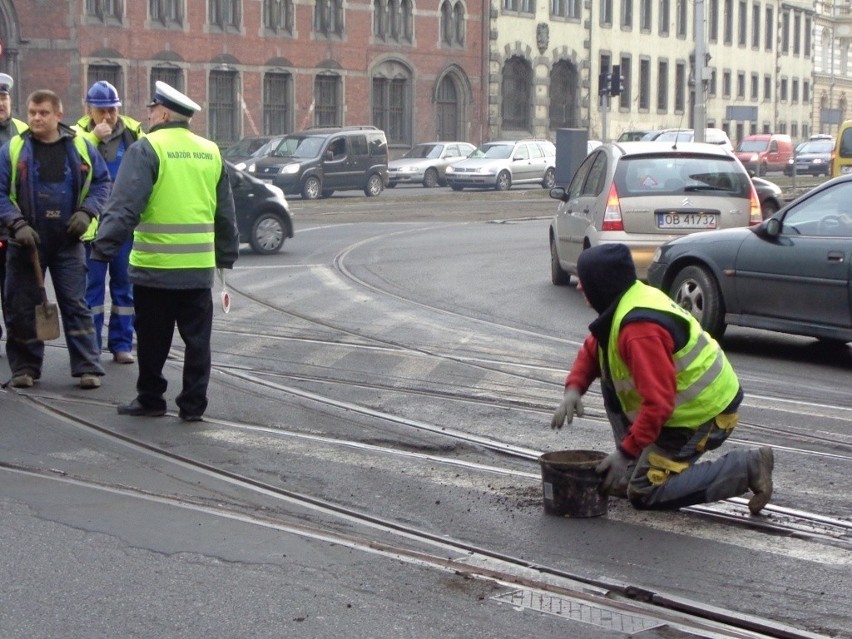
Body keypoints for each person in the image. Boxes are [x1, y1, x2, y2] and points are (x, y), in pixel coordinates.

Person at [550, 244, 774, 515]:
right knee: (611, 376)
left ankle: (747, 467)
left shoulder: (639, 330)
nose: (578, 287)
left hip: (701, 414)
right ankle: (633, 467)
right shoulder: (625, 302)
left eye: (584, 281)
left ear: (601, 283)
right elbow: (594, 348)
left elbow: (659, 404)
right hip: (675, 411)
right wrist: (574, 388)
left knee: (646, 492)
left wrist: (625, 453)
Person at [91, 81, 239, 421]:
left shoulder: (147, 149)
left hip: (155, 268)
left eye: (152, 108)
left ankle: (152, 399)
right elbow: (225, 212)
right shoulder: (211, 151)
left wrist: (103, 248)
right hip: (198, 269)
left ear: (165, 112)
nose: (149, 114)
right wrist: (225, 255)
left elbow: (125, 206)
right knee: (197, 341)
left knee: (153, 340)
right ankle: (193, 406)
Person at [0, 89, 110, 388]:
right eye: (33, 112)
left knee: (75, 303)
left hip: (67, 240)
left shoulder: (81, 147)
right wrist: (16, 223)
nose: (36, 118)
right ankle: (24, 368)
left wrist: (87, 212)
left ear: (58, 116)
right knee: (22, 306)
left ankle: (88, 367)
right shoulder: (13, 149)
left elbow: (102, 183)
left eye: (43, 113)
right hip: (25, 242)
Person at [75, 81, 144, 364]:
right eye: (101, 111)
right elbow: (71, 167)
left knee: (124, 288)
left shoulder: (133, 133)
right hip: (91, 228)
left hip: (123, 226)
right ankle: (90, 346)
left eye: (112, 110)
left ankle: (121, 344)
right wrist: (93, 138)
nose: (107, 117)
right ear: (89, 110)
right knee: (91, 290)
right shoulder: (77, 133)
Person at [0, 73, 28, 346]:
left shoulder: (22, 130)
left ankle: (16, 339)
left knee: (14, 287)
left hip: (14, 223)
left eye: (4, 96)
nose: (1, 103)